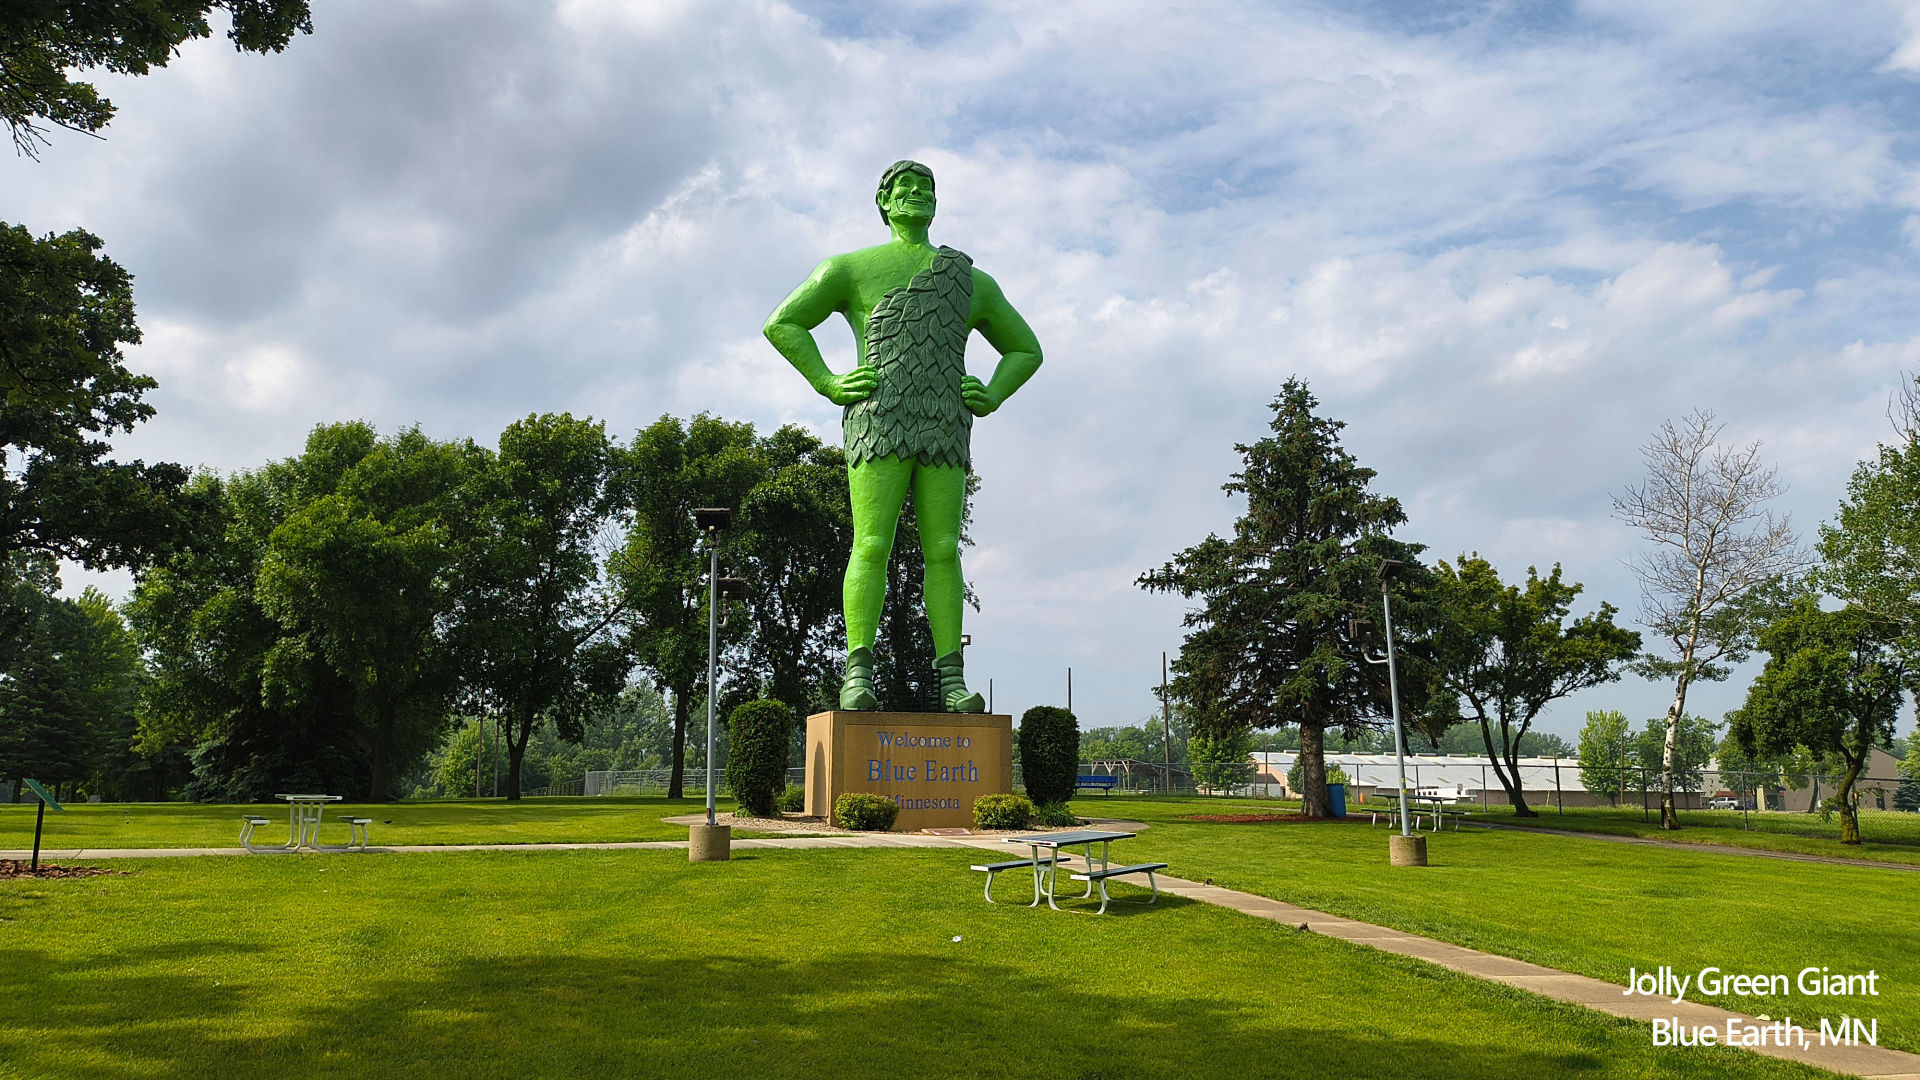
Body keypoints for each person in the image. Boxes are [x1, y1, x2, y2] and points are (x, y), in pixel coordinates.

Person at [763, 160, 1042, 712]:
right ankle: (857, 673)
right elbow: (783, 323)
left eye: (926, 188)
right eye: (904, 188)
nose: (916, 194)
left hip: (944, 424)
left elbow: (1025, 349)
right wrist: (827, 381)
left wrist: (992, 392)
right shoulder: (848, 268)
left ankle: (951, 680)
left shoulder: (971, 281)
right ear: (885, 202)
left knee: (942, 548)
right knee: (871, 544)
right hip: (878, 420)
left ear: (936, 203)